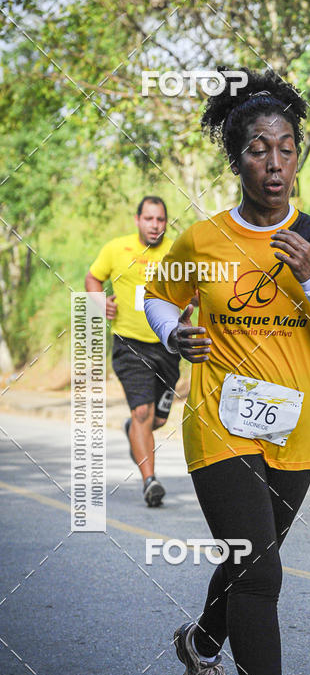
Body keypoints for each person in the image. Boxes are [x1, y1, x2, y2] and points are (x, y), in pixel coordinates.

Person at [144, 70, 310, 675]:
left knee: (248, 562)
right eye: (257, 150)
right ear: (236, 159)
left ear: (299, 155)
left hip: (293, 434)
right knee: (262, 567)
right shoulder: (204, 238)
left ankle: (201, 643)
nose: (273, 163)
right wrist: (174, 337)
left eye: (286, 148)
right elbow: (158, 296)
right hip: (218, 425)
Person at [85, 196, 178, 507]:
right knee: (142, 412)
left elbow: (194, 289)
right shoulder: (115, 249)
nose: (155, 226)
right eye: (149, 219)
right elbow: (93, 278)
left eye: (161, 220)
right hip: (129, 343)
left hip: (167, 346)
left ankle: (133, 433)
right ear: (138, 220)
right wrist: (100, 304)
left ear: (166, 222)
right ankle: (150, 481)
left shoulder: (177, 251)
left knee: (158, 421)